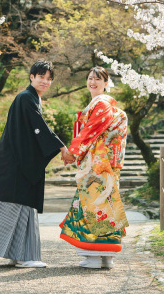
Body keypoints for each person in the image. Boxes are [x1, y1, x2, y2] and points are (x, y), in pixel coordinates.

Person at [0, 60, 76, 268]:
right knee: (21, 207)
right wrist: (62, 148)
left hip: (18, 161)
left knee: (22, 207)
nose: (45, 81)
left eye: (49, 78)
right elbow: (39, 126)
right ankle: (25, 257)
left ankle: (19, 254)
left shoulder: (30, 98)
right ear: (32, 77)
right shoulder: (25, 98)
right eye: (41, 76)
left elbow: (37, 128)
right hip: (17, 164)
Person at [59, 66, 129, 269]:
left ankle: (93, 255)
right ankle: (106, 256)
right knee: (107, 205)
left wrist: (73, 151)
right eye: (90, 78)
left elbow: (90, 130)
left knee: (94, 206)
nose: (93, 82)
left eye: (98, 79)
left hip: (97, 164)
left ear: (106, 83)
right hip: (104, 163)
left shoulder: (101, 104)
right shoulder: (103, 104)